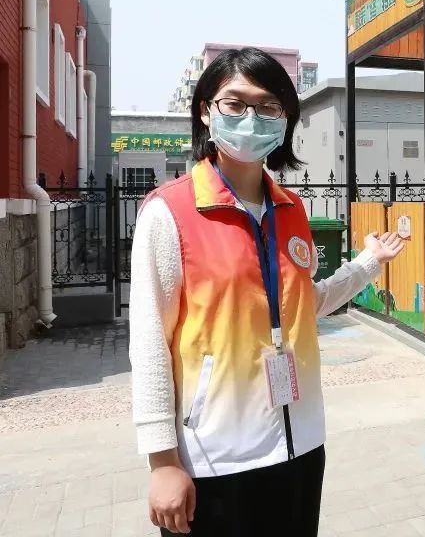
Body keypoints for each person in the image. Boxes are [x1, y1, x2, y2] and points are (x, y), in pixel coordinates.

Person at [129, 47, 404, 535]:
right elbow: (150, 340)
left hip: (301, 446)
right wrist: (162, 461)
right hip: (215, 457)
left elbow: (303, 305)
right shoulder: (169, 212)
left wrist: (367, 263)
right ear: (206, 111)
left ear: (285, 118)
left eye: (268, 106)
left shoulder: (290, 208)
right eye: (235, 104)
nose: (251, 118)